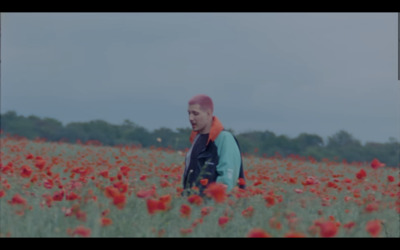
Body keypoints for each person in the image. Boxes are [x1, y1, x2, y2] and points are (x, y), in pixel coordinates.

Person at [182, 94, 245, 196]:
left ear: (208, 113)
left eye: (195, 113)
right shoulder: (196, 139)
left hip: (213, 207)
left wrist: (214, 207)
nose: (190, 118)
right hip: (195, 207)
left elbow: (227, 181)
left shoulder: (225, 139)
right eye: (189, 113)